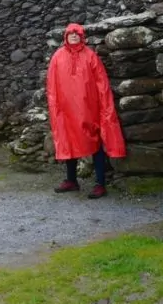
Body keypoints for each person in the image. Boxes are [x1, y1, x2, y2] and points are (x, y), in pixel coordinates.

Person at [46, 23, 126, 199]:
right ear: (65, 37)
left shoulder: (91, 57)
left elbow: (102, 84)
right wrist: (56, 107)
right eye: (70, 34)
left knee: (95, 142)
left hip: (89, 109)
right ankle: (71, 180)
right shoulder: (57, 57)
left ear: (82, 36)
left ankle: (100, 184)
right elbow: (52, 86)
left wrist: (103, 106)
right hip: (66, 110)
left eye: (77, 33)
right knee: (69, 141)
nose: (74, 36)